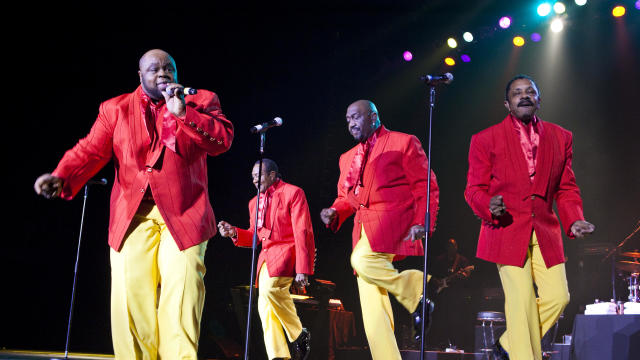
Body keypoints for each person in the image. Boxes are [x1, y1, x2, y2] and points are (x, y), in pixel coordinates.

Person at [34, 49, 234, 360]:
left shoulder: (201, 101)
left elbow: (222, 141)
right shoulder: (115, 109)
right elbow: (90, 150)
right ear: (140, 76)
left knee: (182, 295)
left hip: (184, 213)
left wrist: (183, 113)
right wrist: (62, 175)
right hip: (132, 215)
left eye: (169, 67)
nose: (163, 72)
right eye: (154, 69)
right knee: (131, 298)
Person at [464, 74, 595, 360]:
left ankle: (508, 343)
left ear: (539, 99)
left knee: (559, 297)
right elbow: (473, 190)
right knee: (521, 303)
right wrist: (489, 204)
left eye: (530, 92)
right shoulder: (485, 139)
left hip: (545, 230)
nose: (524, 96)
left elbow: (566, 187)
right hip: (506, 229)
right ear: (506, 103)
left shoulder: (561, 137)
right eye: (516, 93)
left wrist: (574, 219)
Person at [320, 100, 439, 360]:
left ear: (373, 117)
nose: (351, 123)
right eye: (347, 119)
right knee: (372, 308)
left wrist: (423, 221)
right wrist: (334, 211)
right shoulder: (346, 158)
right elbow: (346, 197)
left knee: (361, 259)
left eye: (356, 117)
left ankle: (415, 290)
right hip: (361, 229)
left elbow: (425, 185)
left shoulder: (403, 142)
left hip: (392, 221)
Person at [217, 159, 314, 360]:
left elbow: (302, 231)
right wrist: (234, 232)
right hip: (266, 259)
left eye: (258, 175)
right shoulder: (254, 203)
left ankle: (298, 333)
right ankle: (279, 356)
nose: (254, 180)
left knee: (271, 290)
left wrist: (303, 268)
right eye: (252, 177)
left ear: (272, 175)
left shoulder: (293, 193)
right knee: (265, 308)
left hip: (288, 252)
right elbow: (254, 237)